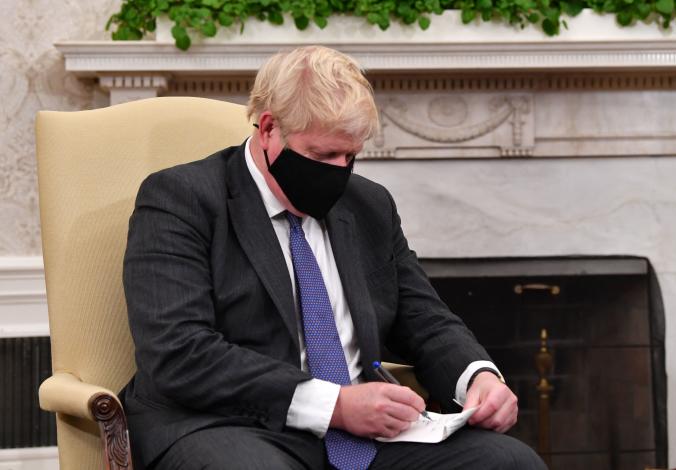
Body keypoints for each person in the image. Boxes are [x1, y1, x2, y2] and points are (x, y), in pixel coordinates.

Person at [121, 45, 546, 470]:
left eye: (350, 156)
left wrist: (478, 377)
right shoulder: (182, 199)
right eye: (323, 156)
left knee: (510, 462)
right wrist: (335, 405)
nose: (339, 172)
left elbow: (425, 318)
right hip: (228, 425)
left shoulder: (369, 205)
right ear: (268, 129)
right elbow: (179, 352)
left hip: (366, 435)